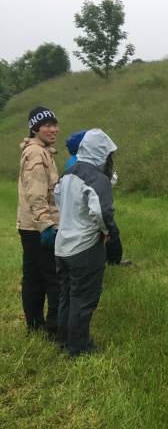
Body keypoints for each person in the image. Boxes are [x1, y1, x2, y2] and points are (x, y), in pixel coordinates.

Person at [54, 128, 119, 357]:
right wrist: (109, 233)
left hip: (62, 246)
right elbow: (102, 212)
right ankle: (79, 348)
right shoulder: (96, 178)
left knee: (67, 296)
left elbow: (58, 203)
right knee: (83, 299)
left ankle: (63, 339)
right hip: (85, 248)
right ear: (102, 152)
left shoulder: (68, 173)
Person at [17, 106, 61, 339]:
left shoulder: (41, 150)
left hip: (30, 225)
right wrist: (46, 225)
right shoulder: (36, 153)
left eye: (55, 124)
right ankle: (54, 328)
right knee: (52, 277)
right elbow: (36, 194)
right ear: (35, 128)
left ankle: (35, 324)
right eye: (47, 125)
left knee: (33, 275)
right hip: (39, 227)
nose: (53, 129)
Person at [64, 130, 131, 267]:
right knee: (109, 230)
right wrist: (108, 231)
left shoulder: (75, 163)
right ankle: (112, 261)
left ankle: (110, 261)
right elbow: (100, 208)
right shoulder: (79, 164)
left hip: (72, 229)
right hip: (84, 217)